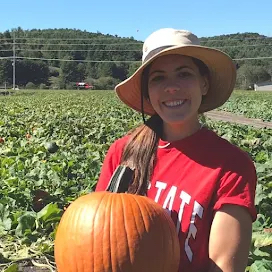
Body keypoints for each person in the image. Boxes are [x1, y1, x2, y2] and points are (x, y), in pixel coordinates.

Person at [95, 28, 257, 272]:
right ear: (148, 92)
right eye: (158, 78)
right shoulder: (122, 153)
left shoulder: (232, 165)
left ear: (204, 83)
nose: (171, 87)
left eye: (184, 74)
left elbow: (223, 266)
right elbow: (96, 241)